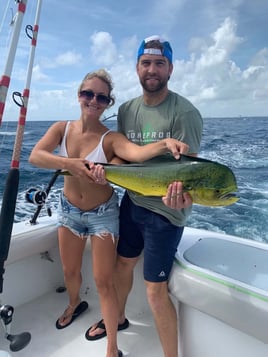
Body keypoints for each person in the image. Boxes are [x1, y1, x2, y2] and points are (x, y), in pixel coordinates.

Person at [29, 69, 190, 357]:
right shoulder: (60, 128)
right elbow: (35, 156)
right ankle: (74, 303)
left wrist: (165, 144)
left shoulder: (111, 138)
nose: (93, 100)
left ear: (108, 103)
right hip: (68, 211)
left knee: (104, 281)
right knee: (70, 271)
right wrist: (73, 163)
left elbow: (136, 154)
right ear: (78, 95)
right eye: (88, 94)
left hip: (102, 215)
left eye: (101, 97)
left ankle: (112, 346)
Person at [86, 36, 203, 357]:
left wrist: (183, 200)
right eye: (146, 63)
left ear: (171, 69)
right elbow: (126, 157)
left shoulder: (185, 113)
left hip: (166, 214)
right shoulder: (127, 110)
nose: (152, 70)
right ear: (137, 67)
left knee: (154, 291)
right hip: (133, 203)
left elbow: (190, 175)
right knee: (122, 266)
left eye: (159, 63)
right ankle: (117, 318)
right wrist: (107, 170)